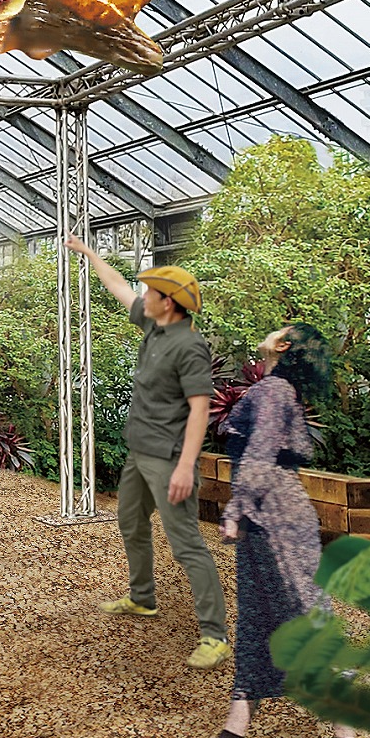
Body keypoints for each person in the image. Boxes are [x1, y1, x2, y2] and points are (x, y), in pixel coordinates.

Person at [180, 322, 368, 738]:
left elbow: (260, 454)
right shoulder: (280, 392)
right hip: (272, 517)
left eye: (277, 331)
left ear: (283, 346)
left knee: (307, 617)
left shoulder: (271, 391)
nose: (268, 333)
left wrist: (236, 507)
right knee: (257, 626)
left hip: (277, 518)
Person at [64, 235, 230, 670]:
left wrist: (186, 467)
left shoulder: (189, 346)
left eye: (151, 292)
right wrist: (90, 253)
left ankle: (215, 635)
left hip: (169, 459)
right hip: (139, 452)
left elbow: (200, 410)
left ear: (168, 303)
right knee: (130, 522)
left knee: (187, 544)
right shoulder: (154, 326)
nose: (144, 296)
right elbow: (118, 285)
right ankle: (142, 598)